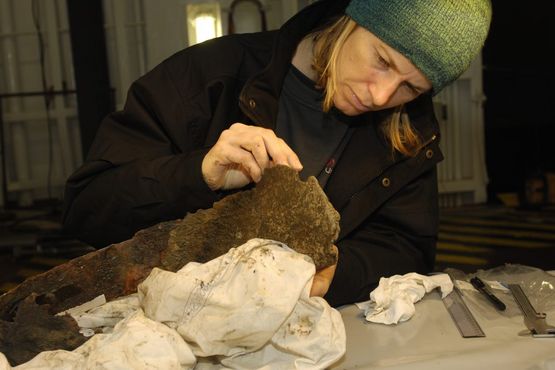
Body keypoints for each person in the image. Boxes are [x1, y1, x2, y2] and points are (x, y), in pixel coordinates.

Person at [62, 0, 492, 307]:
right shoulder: (208, 76)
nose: (380, 95)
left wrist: (334, 276)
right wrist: (198, 174)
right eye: (381, 60)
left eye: (411, 88)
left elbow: (405, 246)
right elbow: (87, 208)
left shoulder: (406, 131)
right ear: (352, 18)